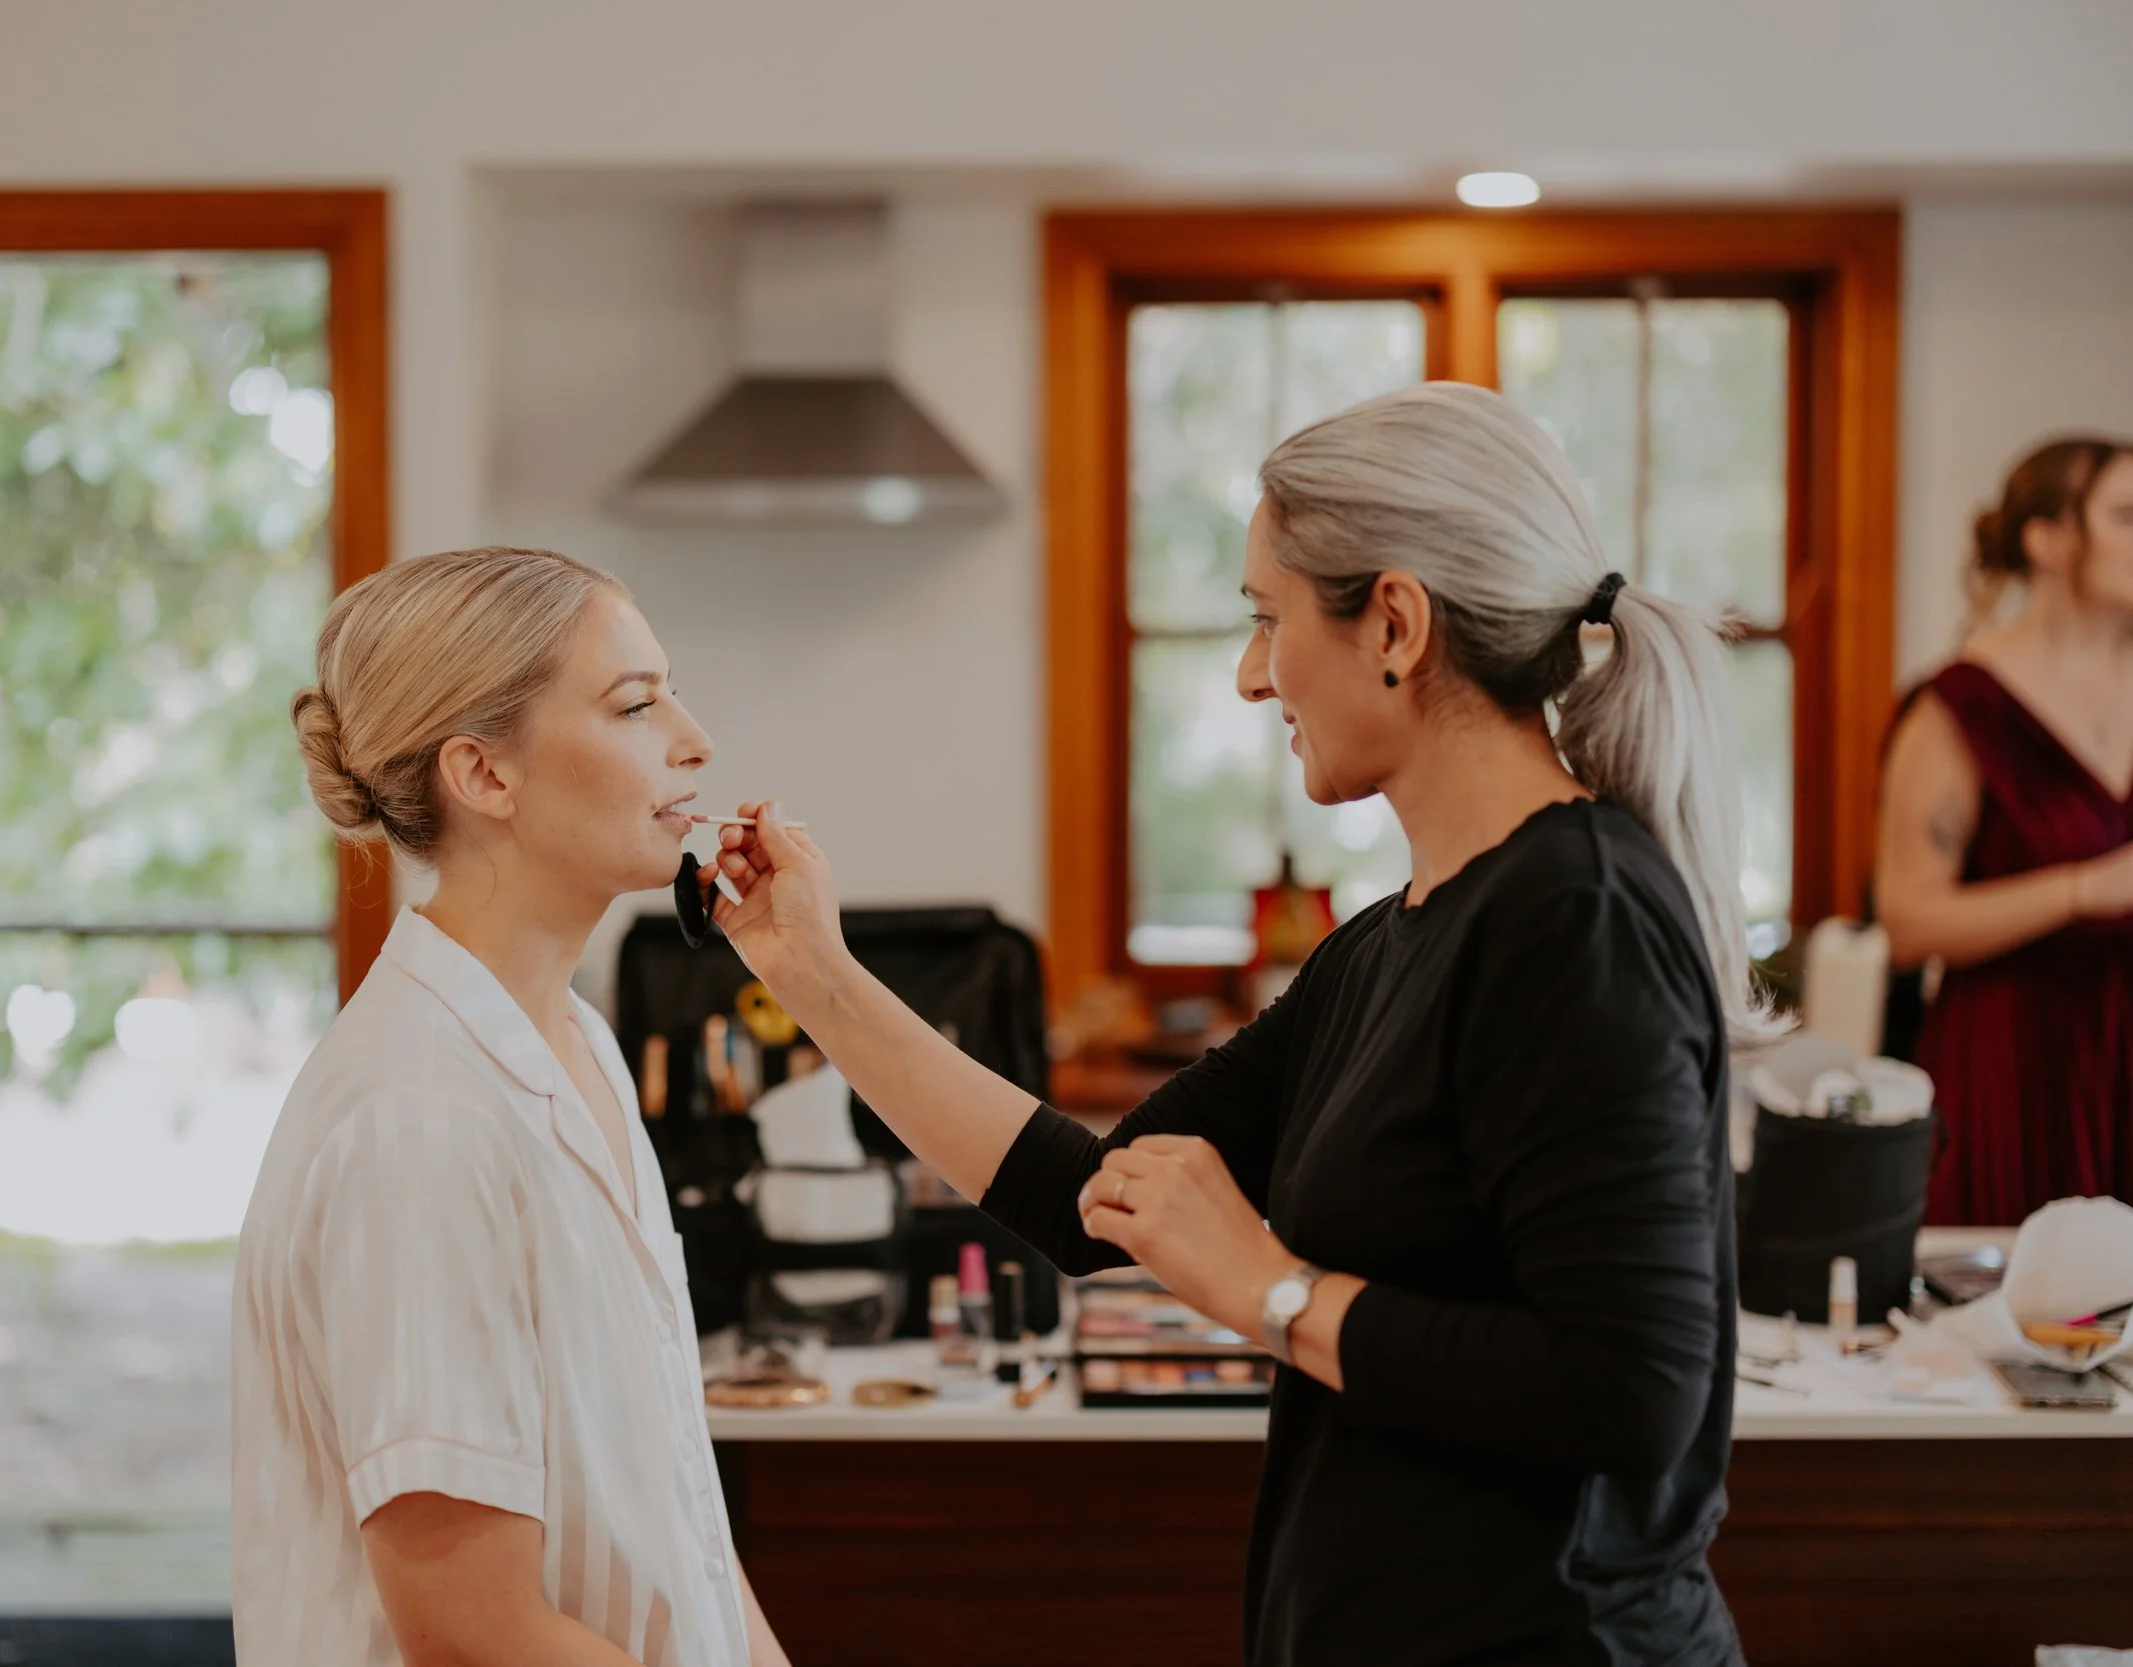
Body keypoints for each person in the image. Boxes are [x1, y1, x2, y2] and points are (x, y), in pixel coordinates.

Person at [706, 384, 1754, 1666]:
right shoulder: (1388, 942)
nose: (1254, 676)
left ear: (1394, 623)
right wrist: (811, 972)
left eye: (1267, 620)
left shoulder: (1570, 914)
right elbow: (1093, 1197)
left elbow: (1628, 1394)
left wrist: (1268, 1287)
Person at [230, 547, 792, 1667]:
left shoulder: (575, 1041)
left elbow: (679, 1505)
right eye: (635, 704)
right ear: (483, 775)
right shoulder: (419, 1120)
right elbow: (472, 1629)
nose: (694, 739)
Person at [1876, 438, 2133, 1225]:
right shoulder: (1960, 707)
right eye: (2127, 515)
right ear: (2047, 540)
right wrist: (2086, 887)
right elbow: (1910, 923)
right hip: (2014, 1064)